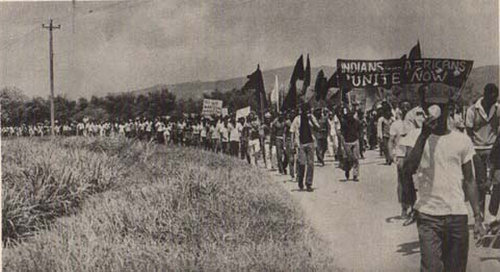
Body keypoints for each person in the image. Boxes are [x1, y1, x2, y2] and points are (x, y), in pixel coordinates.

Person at [401, 83, 486, 272]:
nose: (438, 110)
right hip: (429, 216)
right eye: (433, 105)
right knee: (431, 268)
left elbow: (470, 180)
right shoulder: (415, 136)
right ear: (425, 108)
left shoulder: (461, 140)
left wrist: (478, 217)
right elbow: (407, 170)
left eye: (443, 105)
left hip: (457, 216)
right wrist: (424, 136)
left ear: (449, 108)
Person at [465, 83, 500, 215]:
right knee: (481, 185)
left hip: (494, 151)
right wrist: (471, 151)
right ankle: (480, 217)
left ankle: (492, 215)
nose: (494, 101)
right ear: (485, 95)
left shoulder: (498, 108)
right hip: (477, 150)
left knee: (497, 182)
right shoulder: (472, 110)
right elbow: (468, 132)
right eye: (492, 98)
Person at [389, 101, 412, 220]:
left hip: (413, 156)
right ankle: (404, 208)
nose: (406, 109)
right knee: (403, 183)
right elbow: (391, 140)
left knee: (414, 182)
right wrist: (391, 154)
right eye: (403, 108)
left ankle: (414, 208)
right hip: (401, 156)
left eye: (408, 107)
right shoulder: (396, 124)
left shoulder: (414, 124)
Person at [290, 103, 320, 191]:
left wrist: (312, 120)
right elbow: (292, 131)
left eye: (308, 111)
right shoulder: (297, 119)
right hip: (301, 144)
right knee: (302, 164)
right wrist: (292, 144)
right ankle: (300, 180)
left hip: (310, 142)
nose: (307, 112)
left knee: (310, 164)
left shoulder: (311, 118)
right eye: (306, 111)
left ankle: (308, 183)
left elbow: (318, 128)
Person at [340, 107, 361, 181]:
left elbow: (359, 131)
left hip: (355, 141)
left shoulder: (357, 122)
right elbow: (342, 134)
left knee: (356, 159)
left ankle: (355, 175)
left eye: (351, 115)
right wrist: (342, 144)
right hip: (347, 142)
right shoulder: (344, 123)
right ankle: (347, 169)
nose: (350, 117)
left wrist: (359, 139)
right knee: (348, 159)